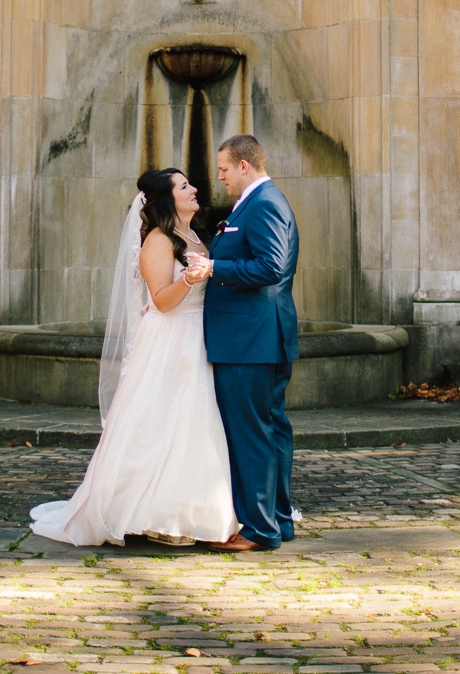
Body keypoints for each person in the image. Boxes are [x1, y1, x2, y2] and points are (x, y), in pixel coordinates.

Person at [27, 169, 239, 547]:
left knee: (194, 422)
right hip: (172, 339)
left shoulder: (192, 237)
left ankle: (190, 508)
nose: (194, 190)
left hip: (196, 337)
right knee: (165, 420)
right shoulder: (158, 240)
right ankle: (154, 515)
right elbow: (160, 300)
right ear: (166, 199)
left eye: (190, 184)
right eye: (184, 186)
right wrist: (189, 281)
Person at [188, 133, 300, 552]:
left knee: (252, 433)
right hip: (257, 338)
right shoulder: (257, 203)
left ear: (244, 166)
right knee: (270, 431)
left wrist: (215, 266)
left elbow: (271, 267)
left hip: (250, 341)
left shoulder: (265, 203)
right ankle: (279, 520)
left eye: (223, 170)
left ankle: (258, 529)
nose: (220, 179)